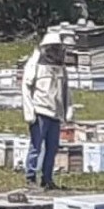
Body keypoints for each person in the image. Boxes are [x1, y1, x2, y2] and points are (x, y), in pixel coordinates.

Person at [21, 29, 72, 190]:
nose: (56, 52)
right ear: (46, 48)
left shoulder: (61, 67)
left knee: (52, 148)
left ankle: (47, 178)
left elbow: (65, 91)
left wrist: (68, 109)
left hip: (55, 113)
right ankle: (30, 178)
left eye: (59, 48)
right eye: (54, 48)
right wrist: (29, 111)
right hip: (40, 111)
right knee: (36, 146)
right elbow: (26, 88)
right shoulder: (35, 64)